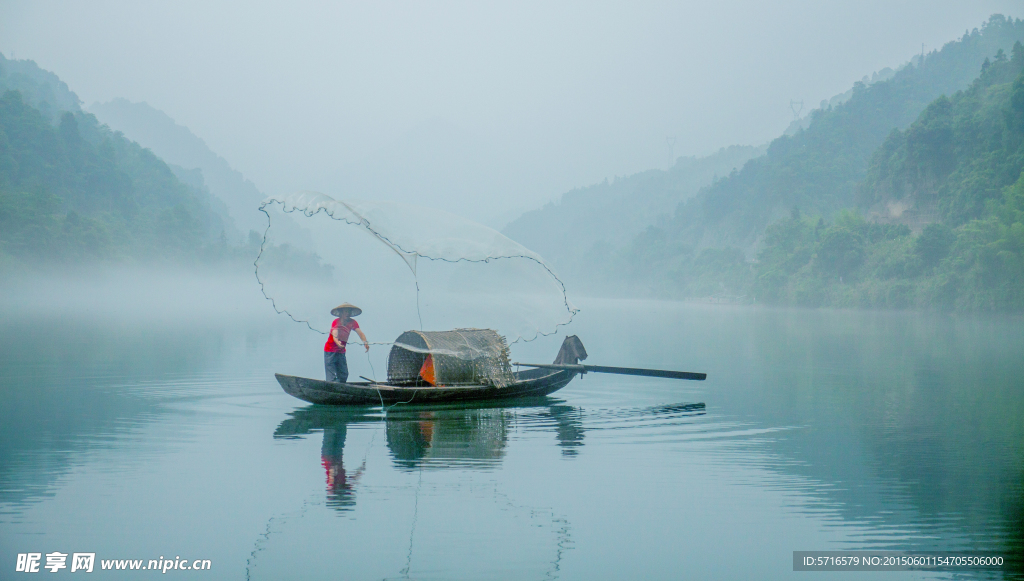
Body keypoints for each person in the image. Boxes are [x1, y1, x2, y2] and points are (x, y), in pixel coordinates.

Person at [324, 303, 369, 383]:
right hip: (330, 351)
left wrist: (365, 342)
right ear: (341, 313)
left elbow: (360, 333)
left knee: (344, 374)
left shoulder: (353, 322)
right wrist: (337, 342)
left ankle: (339, 388)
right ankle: (331, 386)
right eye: (346, 312)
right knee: (331, 375)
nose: (348, 314)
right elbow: (335, 333)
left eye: (349, 312)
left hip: (341, 351)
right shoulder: (336, 322)